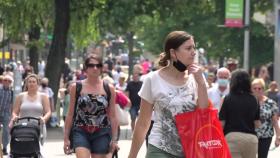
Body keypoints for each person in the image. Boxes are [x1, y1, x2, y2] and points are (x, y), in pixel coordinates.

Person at [128, 31, 208, 158]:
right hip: (160, 148)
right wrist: (132, 155)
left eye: (194, 47)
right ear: (173, 53)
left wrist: (201, 83)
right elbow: (143, 122)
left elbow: (204, 113)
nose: (193, 52)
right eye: (188, 48)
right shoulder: (152, 79)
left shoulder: (197, 79)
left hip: (190, 150)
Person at [63, 54, 119, 158]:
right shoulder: (76, 87)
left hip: (102, 132)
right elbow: (70, 114)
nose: (95, 68)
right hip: (81, 130)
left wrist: (115, 140)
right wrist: (66, 138)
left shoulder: (109, 88)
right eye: (91, 65)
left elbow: (113, 116)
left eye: (98, 65)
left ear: (102, 68)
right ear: (85, 68)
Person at [219, 69, 260, 158]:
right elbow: (257, 123)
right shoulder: (254, 99)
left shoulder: (228, 98)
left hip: (232, 137)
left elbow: (222, 123)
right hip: (251, 139)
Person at [8, 74, 51, 146]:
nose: (32, 83)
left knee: (36, 148)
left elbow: (48, 111)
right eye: (30, 82)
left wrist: (44, 118)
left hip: (38, 125)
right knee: (23, 147)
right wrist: (15, 117)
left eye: (34, 82)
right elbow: (15, 112)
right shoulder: (20, 96)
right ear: (27, 84)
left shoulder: (43, 96)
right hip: (23, 126)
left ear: (37, 84)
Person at [251, 78, 280, 158]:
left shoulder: (270, 103)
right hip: (251, 135)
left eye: (259, 88)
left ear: (263, 89)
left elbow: (275, 121)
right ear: (251, 89)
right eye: (255, 88)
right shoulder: (247, 102)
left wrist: (278, 136)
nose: (257, 90)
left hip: (266, 136)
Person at [0, 75, 13, 155]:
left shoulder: (11, 92)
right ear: (2, 81)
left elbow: (11, 104)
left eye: (9, 81)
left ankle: (4, 147)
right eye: (5, 80)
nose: (7, 82)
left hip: (6, 113)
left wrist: (11, 115)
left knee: (6, 131)